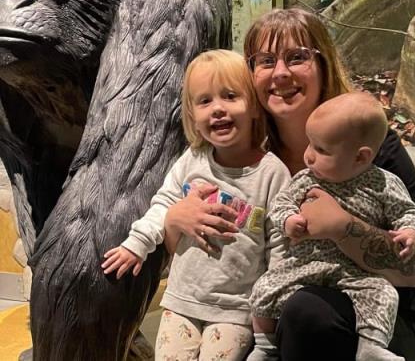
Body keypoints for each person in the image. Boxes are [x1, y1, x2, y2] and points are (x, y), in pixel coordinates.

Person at [165, 8, 415, 360]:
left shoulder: (372, 150)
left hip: (374, 312)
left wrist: (343, 227)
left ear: (324, 66)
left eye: (297, 58)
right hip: (265, 312)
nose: (280, 73)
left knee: (305, 310)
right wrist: (174, 220)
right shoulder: (242, 156)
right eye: (265, 60)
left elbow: (412, 271)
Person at [100, 49, 291, 361]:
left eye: (230, 96)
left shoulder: (272, 174)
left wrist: (270, 315)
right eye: (204, 101)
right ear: (192, 115)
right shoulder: (192, 161)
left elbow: (280, 248)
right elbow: (163, 204)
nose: (217, 109)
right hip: (182, 301)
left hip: (236, 310)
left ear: (255, 107)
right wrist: (137, 243)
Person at [247, 92, 415, 361]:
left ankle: (371, 347)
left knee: (382, 295)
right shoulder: (306, 179)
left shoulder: (384, 183)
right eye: (310, 145)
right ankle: (265, 346)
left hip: (357, 273)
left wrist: (411, 232)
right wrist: (288, 220)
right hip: (307, 266)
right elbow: (282, 203)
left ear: (360, 157)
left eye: (321, 150)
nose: (308, 156)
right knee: (265, 288)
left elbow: (408, 213)